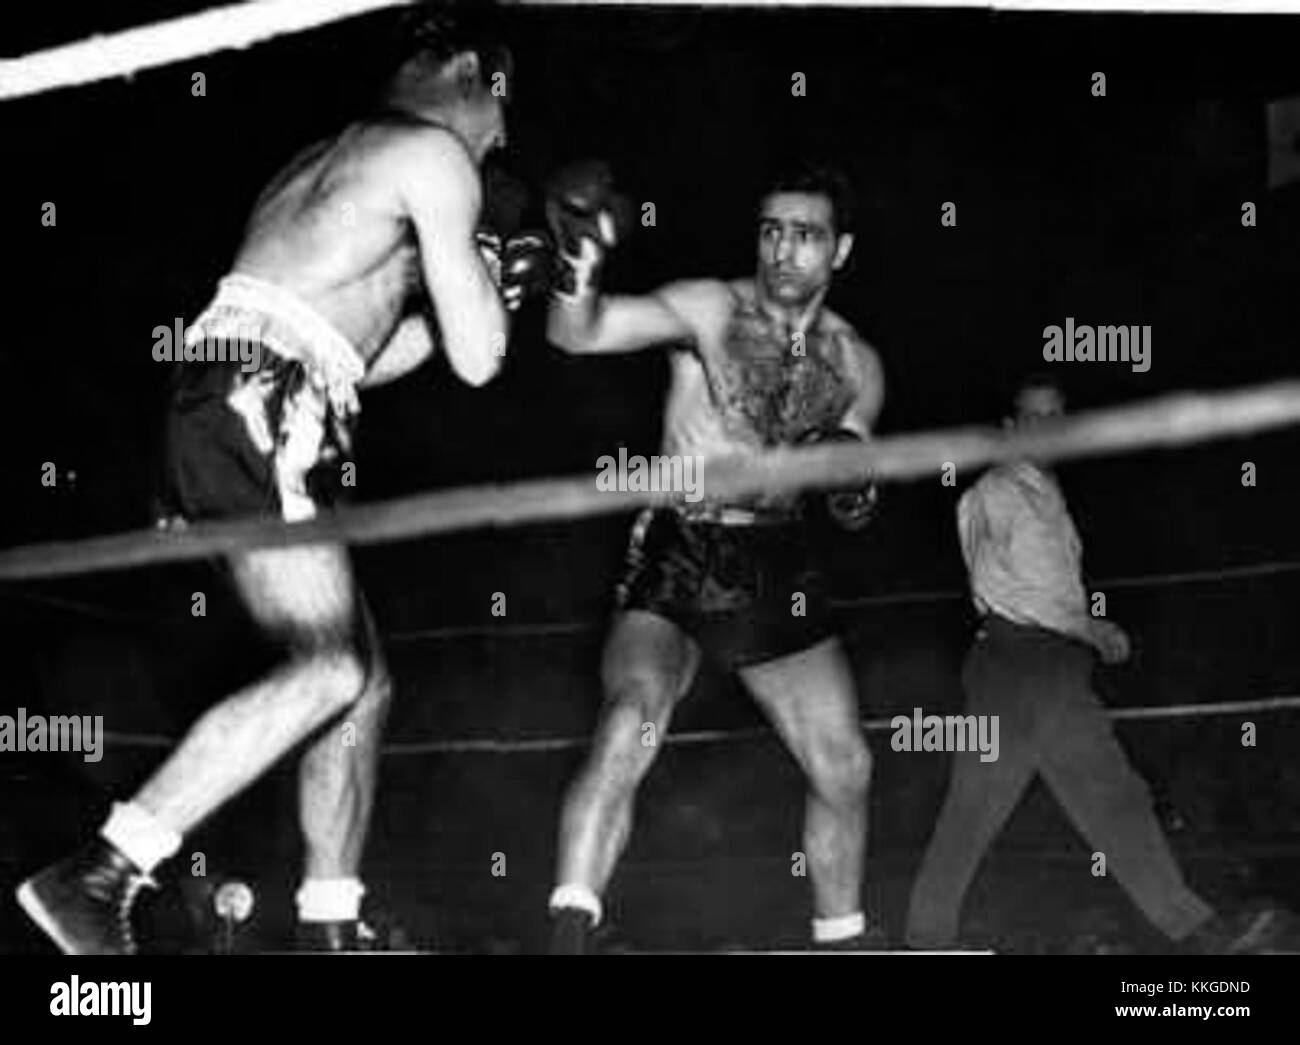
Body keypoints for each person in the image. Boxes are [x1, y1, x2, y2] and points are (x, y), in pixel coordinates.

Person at [17, 12, 547, 955]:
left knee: (363, 684)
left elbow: (360, 356)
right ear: (470, 71)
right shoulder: (434, 159)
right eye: (501, 115)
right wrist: (506, 285)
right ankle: (97, 875)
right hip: (260, 405)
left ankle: (328, 926)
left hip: (252, 398)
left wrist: (484, 293)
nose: (499, 137)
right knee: (327, 668)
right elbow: (477, 361)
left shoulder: (330, 163)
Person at [544, 160, 885, 953]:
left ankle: (841, 941)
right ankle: (566, 937)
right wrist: (576, 270)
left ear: (840, 252)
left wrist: (853, 491)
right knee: (631, 717)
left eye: (806, 235)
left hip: (775, 562)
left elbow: (852, 475)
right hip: (680, 542)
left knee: (846, 763)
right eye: (772, 230)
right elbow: (579, 332)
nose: (783, 249)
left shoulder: (857, 365)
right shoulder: (709, 307)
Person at [905, 376, 1297, 954]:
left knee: (1058, 802)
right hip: (1022, 659)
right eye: (1035, 417)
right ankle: (1196, 930)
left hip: (1037, 664)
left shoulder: (1042, 492)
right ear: (1011, 428)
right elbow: (1011, 590)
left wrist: (1077, 634)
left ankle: (925, 938)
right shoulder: (997, 493)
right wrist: (1094, 629)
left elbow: (1038, 586)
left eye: (1058, 417)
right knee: (1083, 799)